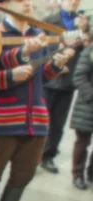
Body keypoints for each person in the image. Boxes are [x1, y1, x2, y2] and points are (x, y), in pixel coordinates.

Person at [0, 0, 74, 201]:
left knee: (24, 174)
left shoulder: (37, 35)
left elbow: (41, 75)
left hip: (37, 118)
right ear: (6, 5)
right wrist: (10, 75)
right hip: (5, 115)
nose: (28, 4)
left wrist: (56, 65)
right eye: (21, 1)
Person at [40, 0, 89, 174]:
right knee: (41, 120)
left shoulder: (82, 23)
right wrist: (54, 63)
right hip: (48, 78)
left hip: (68, 83)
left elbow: (86, 53)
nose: (73, 2)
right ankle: (33, 153)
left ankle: (48, 155)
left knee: (58, 123)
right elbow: (43, 47)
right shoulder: (48, 20)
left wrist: (82, 32)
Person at [69, 42, 93, 189]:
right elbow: (79, 76)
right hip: (87, 105)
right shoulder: (89, 51)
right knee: (82, 142)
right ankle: (77, 175)